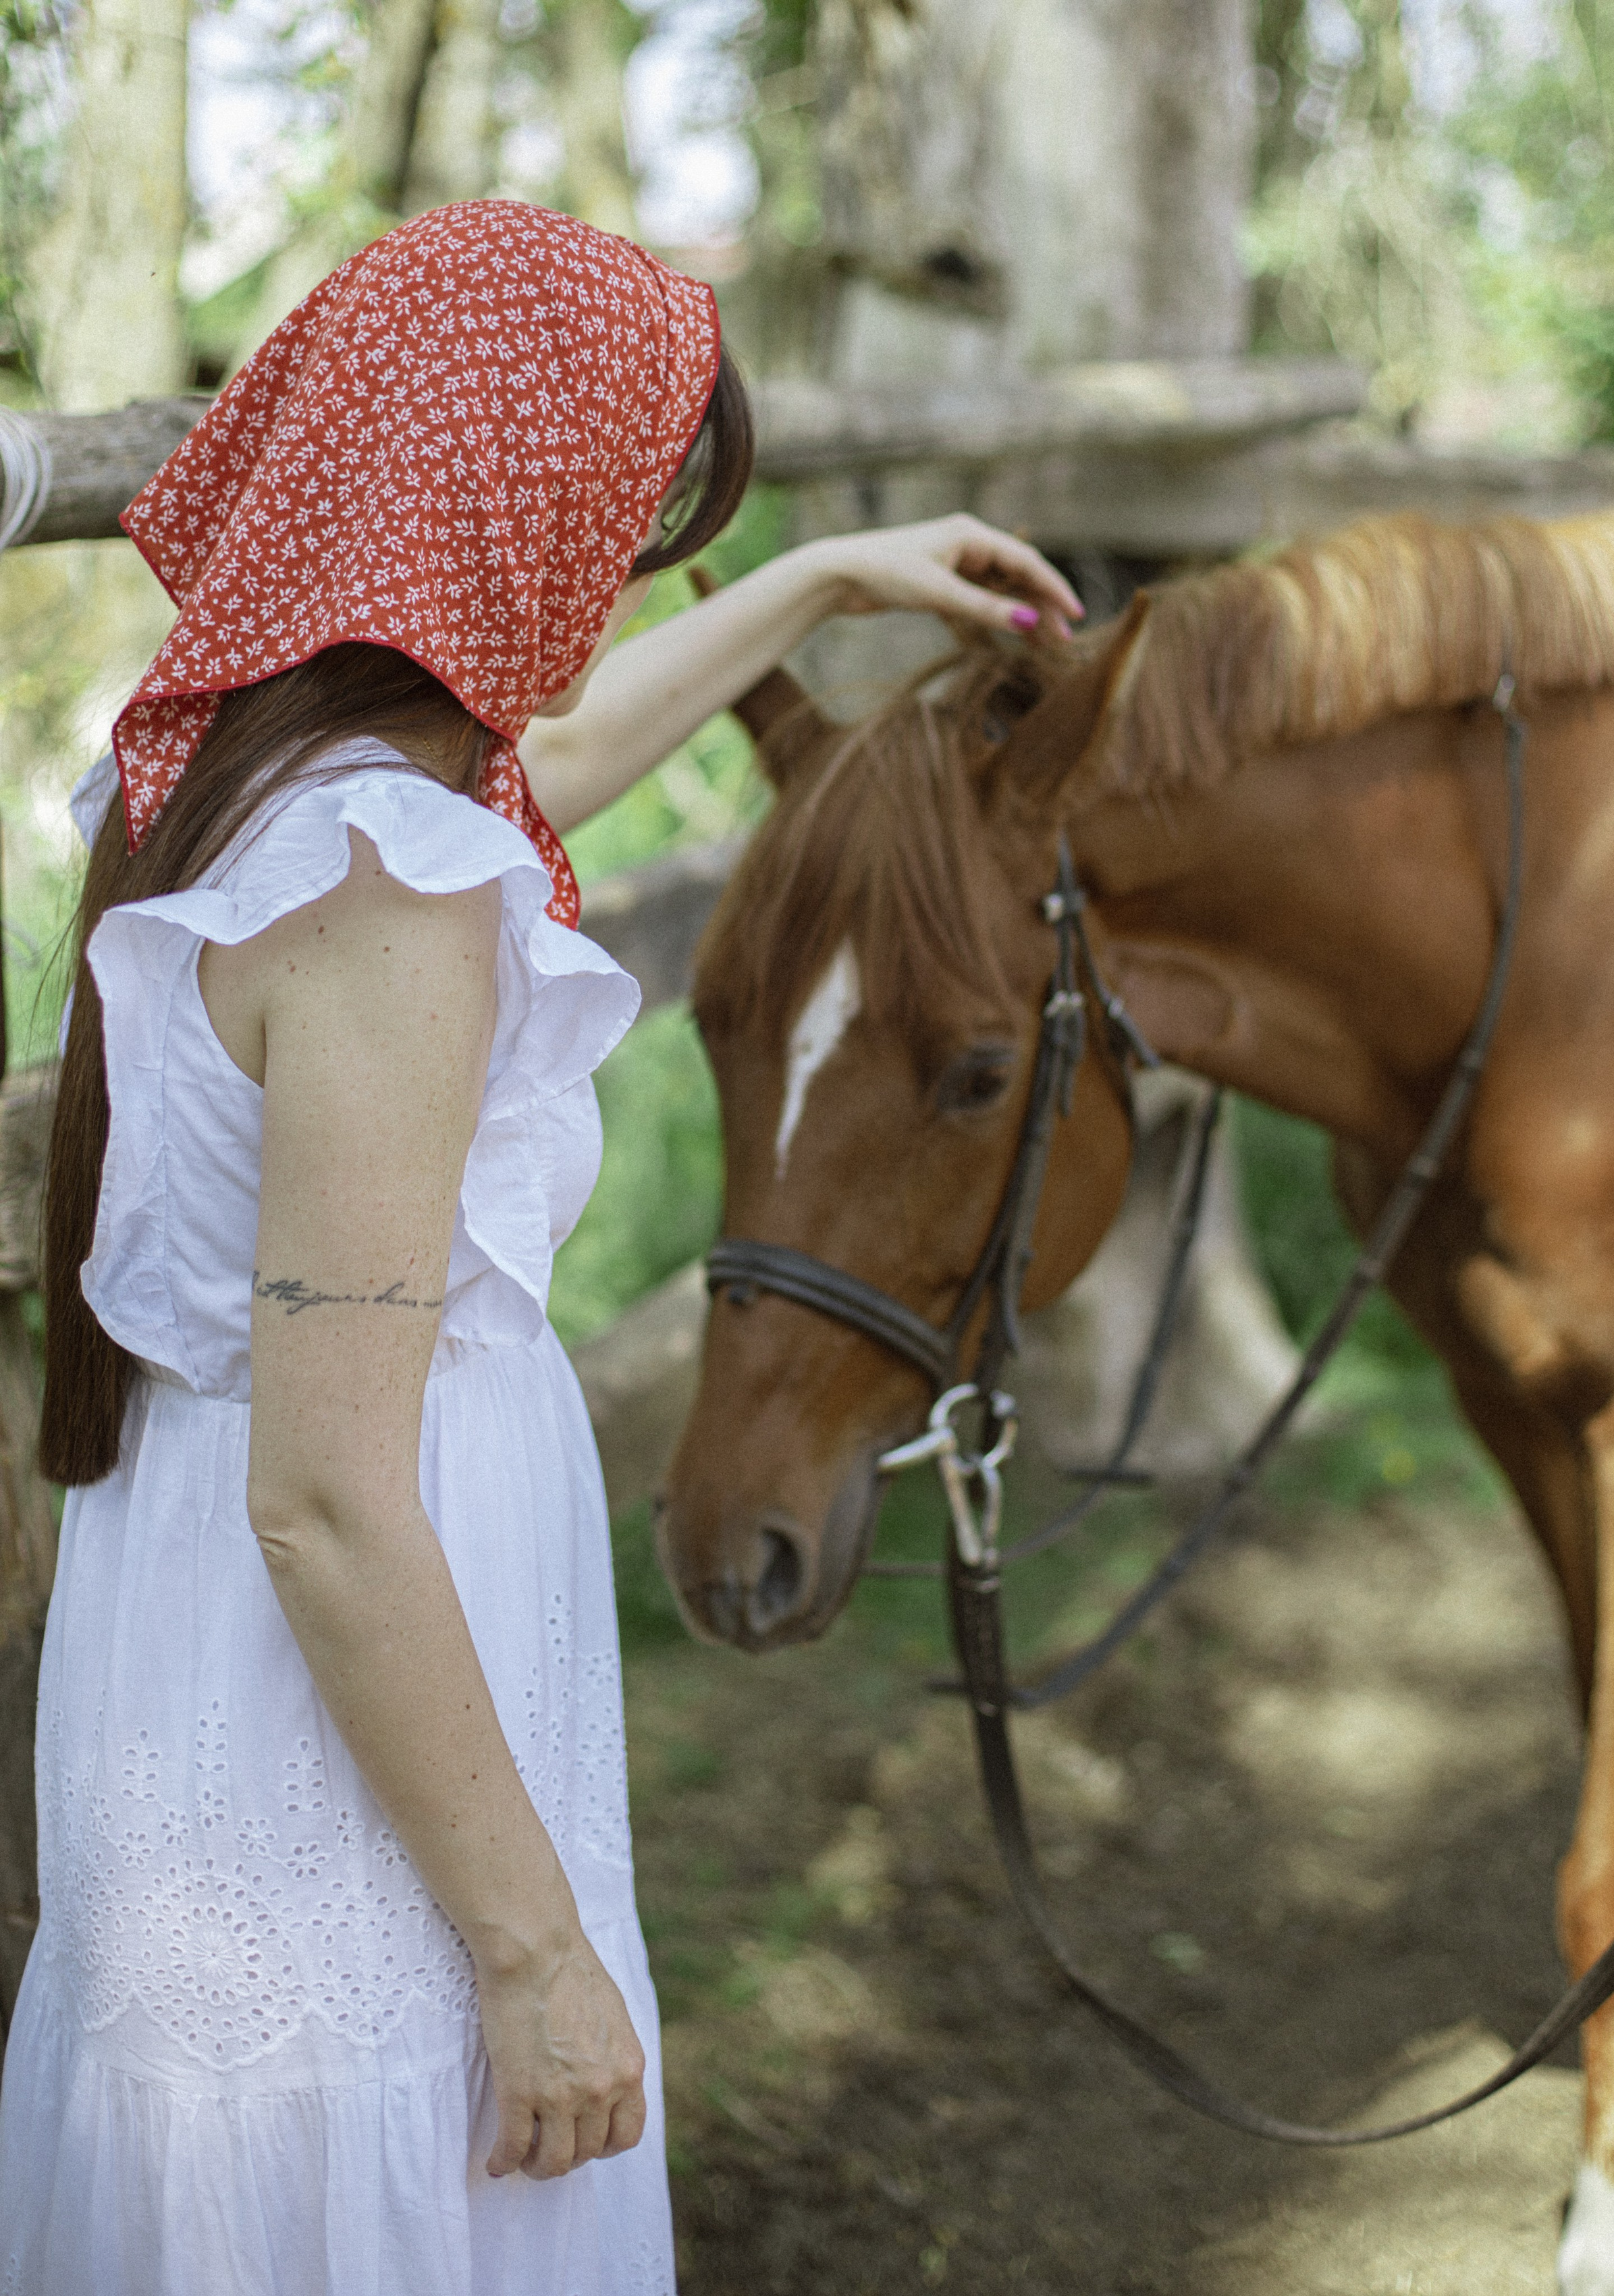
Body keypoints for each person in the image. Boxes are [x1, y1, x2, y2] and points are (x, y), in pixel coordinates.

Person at [0, 198, 1081, 2295]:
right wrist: (533, 1951)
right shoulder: (393, 893)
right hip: (340, 1766)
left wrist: (825, 582)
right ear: (504, 488)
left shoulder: (254, 774)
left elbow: (547, 760)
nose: (620, 557)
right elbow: (325, 1498)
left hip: (235, 1701)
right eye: (627, 500)